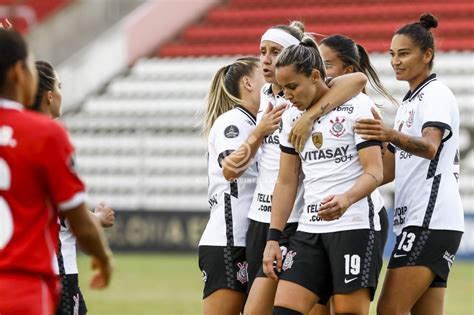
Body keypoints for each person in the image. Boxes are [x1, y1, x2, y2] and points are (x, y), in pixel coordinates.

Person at [244, 22, 368, 315]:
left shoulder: (341, 100)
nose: (267, 59)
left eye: (275, 51)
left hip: (328, 220)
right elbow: (278, 179)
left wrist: (310, 116)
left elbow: (358, 79)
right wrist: (257, 133)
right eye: (262, 51)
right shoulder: (269, 100)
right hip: (281, 220)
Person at [354, 13, 464, 315]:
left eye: (404, 53)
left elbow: (429, 147)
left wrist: (390, 133)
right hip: (419, 220)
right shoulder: (408, 103)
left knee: (390, 309)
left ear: (427, 55)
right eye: (392, 54)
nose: (395, 61)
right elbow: (388, 170)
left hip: (430, 219)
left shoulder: (436, 94)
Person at [0, 29, 113, 315]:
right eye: (28, 65)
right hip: (25, 287)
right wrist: (103, 256)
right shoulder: (45, 135)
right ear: (17, 73)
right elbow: (77, 220)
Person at [199, 56, 285, 315]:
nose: (272, 78)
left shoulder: (255, 120)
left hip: (250, 237)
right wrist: (259, 133)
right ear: (248, 83)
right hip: (228, 240)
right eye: (263, 74)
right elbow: (232, 168)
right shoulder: (233, 121)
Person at [32, 60, 116, 315]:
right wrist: (98, 220)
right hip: (58, 271)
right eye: (59, 85)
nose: (60, 92)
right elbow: (67, 212)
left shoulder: (12, 135)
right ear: (49, 96)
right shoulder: (52, 138)